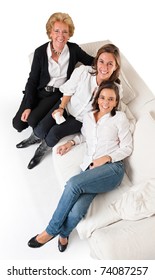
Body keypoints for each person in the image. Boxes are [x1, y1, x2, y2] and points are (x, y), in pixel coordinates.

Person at [27, 81, 133, 252]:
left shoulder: (119, 118)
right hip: (89, 169)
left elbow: (127, 147)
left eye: (111, 99)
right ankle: (64, 234)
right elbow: (85, 137)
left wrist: (106, 158)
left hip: (112, 169)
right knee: (77, 212)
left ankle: (50, 230)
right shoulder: (90, 117)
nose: (106, 102)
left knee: (72, 184)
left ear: (116, 102)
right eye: (103, 97)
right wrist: (70, 142)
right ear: (97, 98)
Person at [22, 43, 122, 169]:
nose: (104, 67)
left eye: (110, 64)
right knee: (41, 128)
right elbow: (69, 90)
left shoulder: (115, 89)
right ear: (96, 61)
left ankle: (40, 152)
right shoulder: (84, 72)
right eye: (101, 61)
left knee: (54, 133)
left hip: (81, 120)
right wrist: (61, 108)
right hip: (67, 106)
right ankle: (33, 138)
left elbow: (109, 111)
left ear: (116, 67)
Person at [13, 12, 94, 144]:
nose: (60, 36)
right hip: (40, 91)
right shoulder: (40, 52)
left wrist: (109, 61)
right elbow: (32, 81)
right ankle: (34, 109)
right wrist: (28, 105)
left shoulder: (74, 50)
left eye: (65, 32)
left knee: (33, 120)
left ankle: (38, 126)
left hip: (57, 94)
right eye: (56, 31)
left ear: (69, 34)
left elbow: (92, 62)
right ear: (50, 33)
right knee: (18, 124)